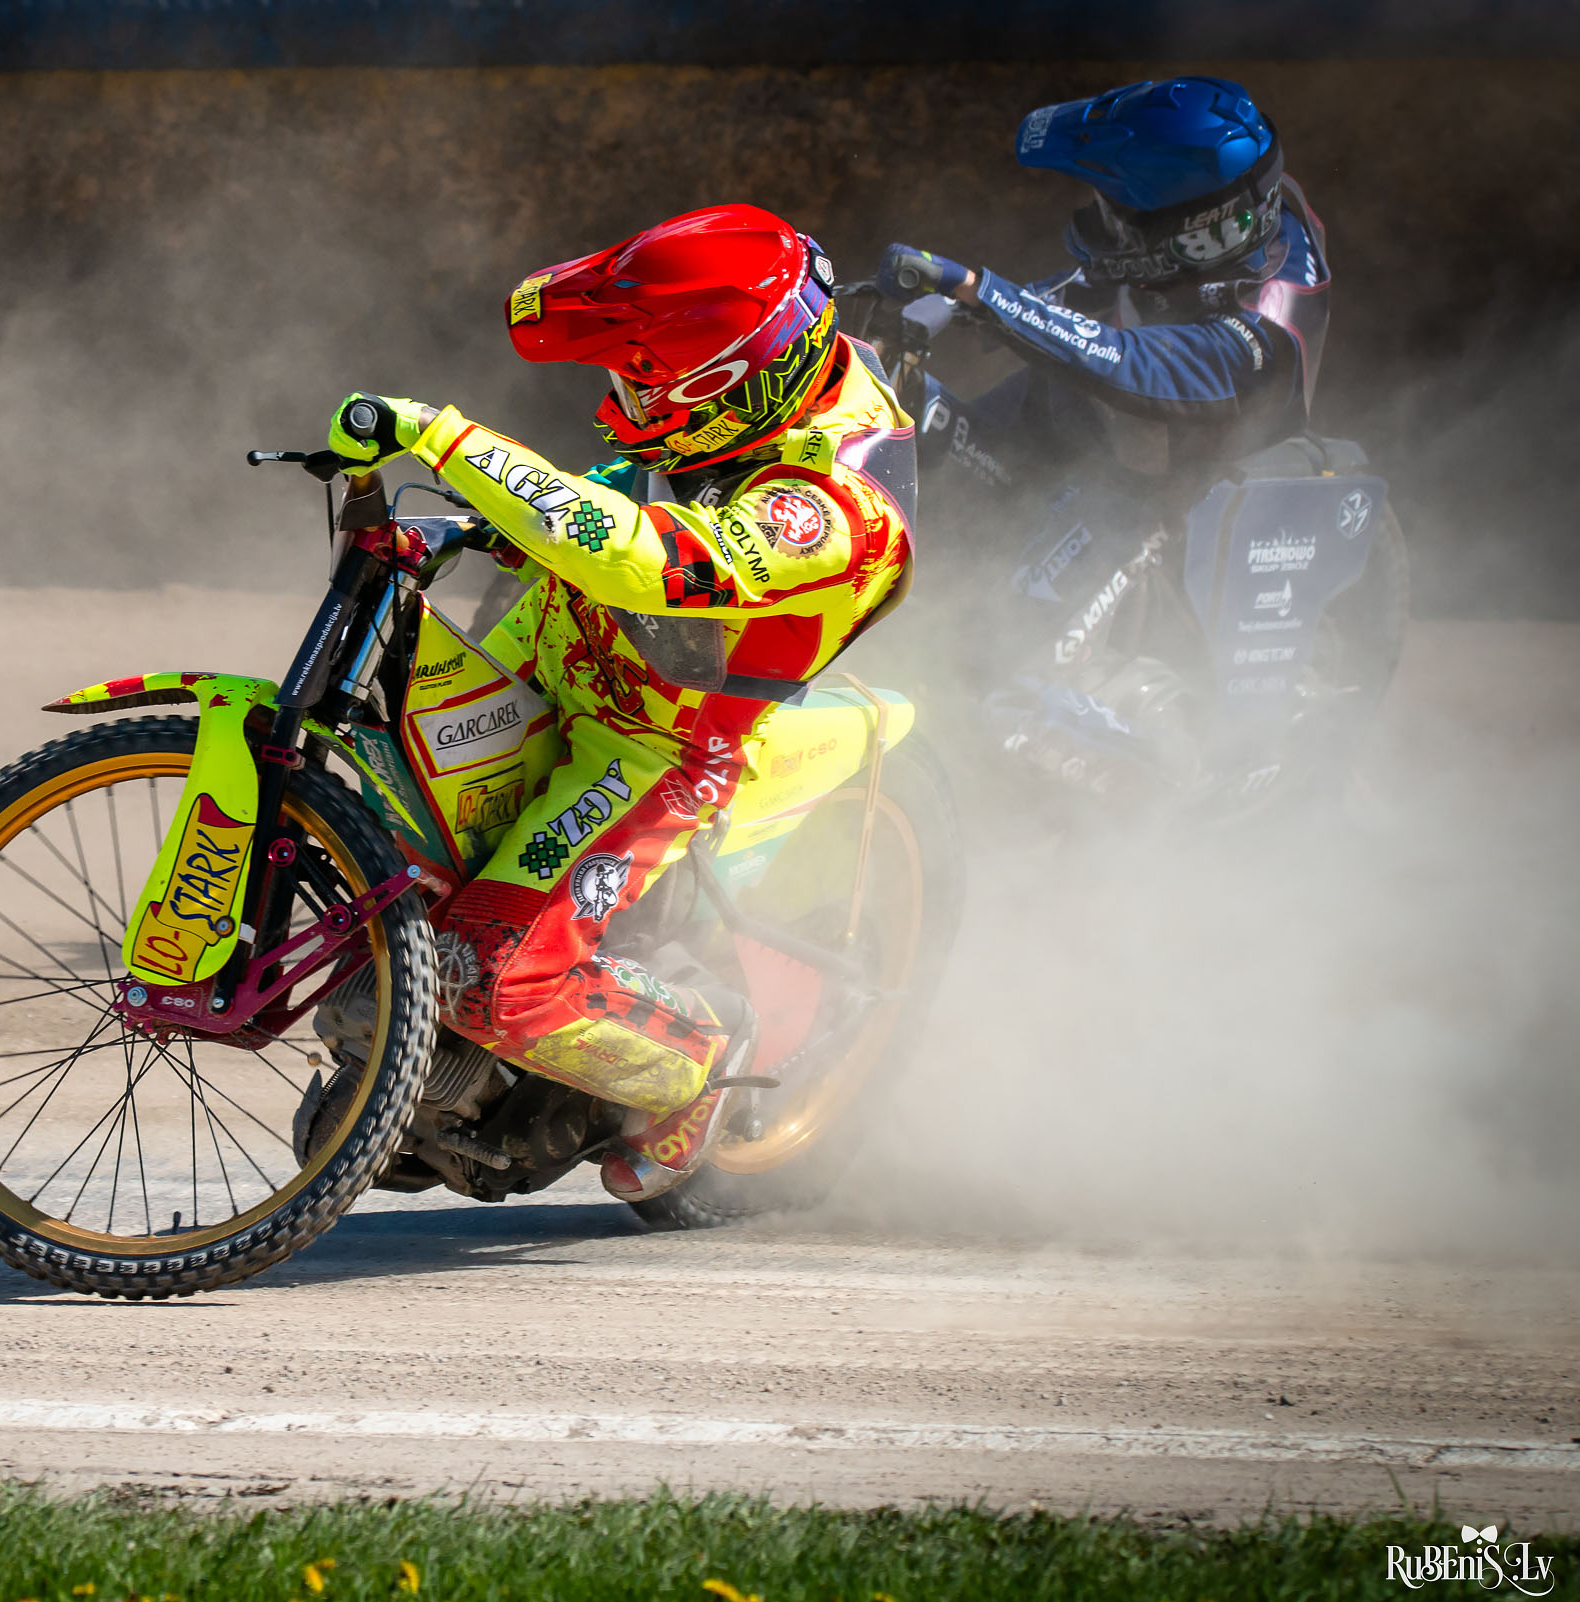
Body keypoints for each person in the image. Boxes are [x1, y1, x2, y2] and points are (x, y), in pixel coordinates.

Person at [320, 203, 915, 1202]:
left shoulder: (839, 513)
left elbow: (644, 560)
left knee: (488, 977)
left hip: (654, 749)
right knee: (393, 861)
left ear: (731, 383)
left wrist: (446, 440)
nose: (624, 403)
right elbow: (633, 479)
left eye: (646, 385)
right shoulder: (751, 374)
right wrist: (486, 524)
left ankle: (702, 1060)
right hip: (554, 659)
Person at [876, 75, 1330, 495]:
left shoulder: (1261, 337)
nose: (1102, 227)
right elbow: (1112, 277)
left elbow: (1130, 363)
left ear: (1198, 238)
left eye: (1117, 221)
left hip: (1166, 496)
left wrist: (980, 291)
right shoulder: (1247, 214)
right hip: (1113, 418)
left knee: (1020, 560)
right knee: (942, 432)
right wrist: (956, 302)